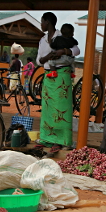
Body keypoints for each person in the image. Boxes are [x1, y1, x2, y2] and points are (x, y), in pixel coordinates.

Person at [36, 11, 80, 155]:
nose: (41, 24)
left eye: (42, 21)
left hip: (62, 75)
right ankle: (46, 138)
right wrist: (46, 58)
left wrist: (63, 51)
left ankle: (62, 140)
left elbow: (77, 50)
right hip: (48, 75)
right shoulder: (42, 40)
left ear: (47, 22)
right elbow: (38, 60)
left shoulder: (62, 35)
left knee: (62, 108)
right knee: (48, 108)